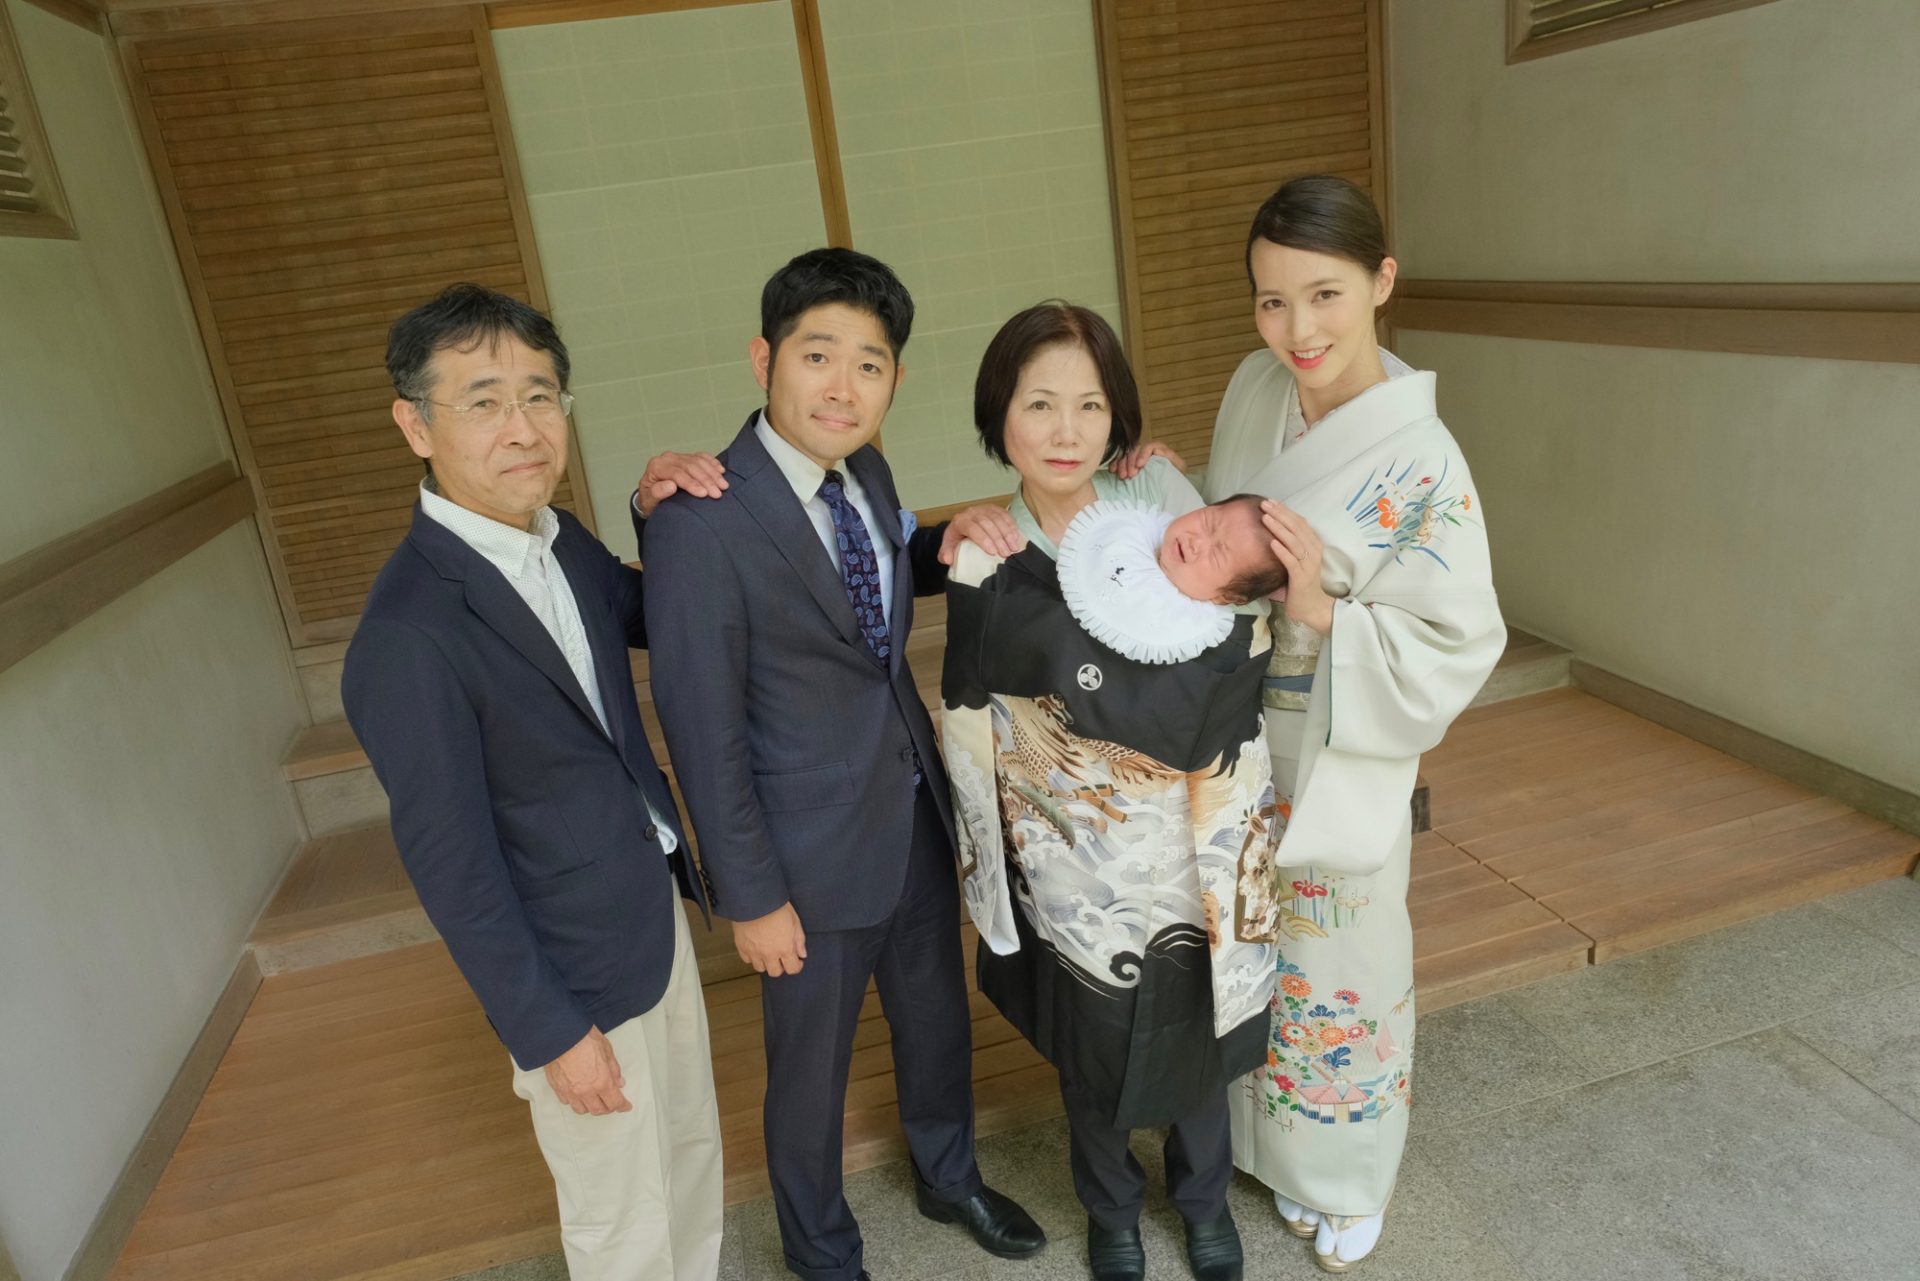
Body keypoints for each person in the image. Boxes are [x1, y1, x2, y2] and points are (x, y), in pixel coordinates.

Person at [637, 247, 1044, 1281]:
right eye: (818, 355)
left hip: (907, 806)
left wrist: (969, 537)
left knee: (934, 1018)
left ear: (895, 382)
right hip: (800, 855)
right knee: (810, 1075)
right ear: (763, 358)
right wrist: (751, 893)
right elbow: (700, 724)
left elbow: (862, 583)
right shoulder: (696, 523)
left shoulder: (862, 468)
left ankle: (950, 1179)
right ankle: (822, 1253)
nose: (843, 384)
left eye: (870, 364)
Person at [341, 284, 722, 1279]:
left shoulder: (558, 539)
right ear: (413, 424)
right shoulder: (408, 633)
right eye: (483, 401)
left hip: (649, 909)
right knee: (618, 1218)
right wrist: (550, 1030)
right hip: (573, 969)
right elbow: (450, 860)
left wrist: (654, 511)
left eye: (541, 397)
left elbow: (647, 615)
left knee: (685, 1158)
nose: (522, 428)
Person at [1194, 176, 1504, 1272]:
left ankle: (1344, 1174)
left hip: (1333, 748)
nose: (1297, 330)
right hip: (1230, 741)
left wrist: (1326, 613)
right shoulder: (1253, 386)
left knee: (1340, 965)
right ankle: (1250, 1140)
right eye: (1271, 302)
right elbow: (1228, 512)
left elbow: (1463, 638)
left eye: (1322, 295)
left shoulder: (1425, 464)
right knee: (1243, 948)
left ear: (1381, 281)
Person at [940, 301, 1284, 1281]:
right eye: (1038, 403)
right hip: (1071, 850)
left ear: (1118, 416)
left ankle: (1204, 1198)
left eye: (1089, 405)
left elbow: (1241, 626)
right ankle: (1112, 1212)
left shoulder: (1162, 494)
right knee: (1091, 1039)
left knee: (1199, 1019)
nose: (1064, 430)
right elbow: (974, 709)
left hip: (1188, 839)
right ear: (998, 412)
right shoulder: (986, 548)